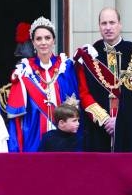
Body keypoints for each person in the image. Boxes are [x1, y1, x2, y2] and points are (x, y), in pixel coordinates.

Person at [75, 7, 132, 152]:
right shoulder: (89, 55)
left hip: (130, 129)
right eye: (104, 23)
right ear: (99, 26)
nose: (108, 27)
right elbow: (84, 93)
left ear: (120, 25)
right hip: (99, 129)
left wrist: (120, 121)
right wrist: (104, 120)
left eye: (112, 22)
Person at [5, 17, 81, 152]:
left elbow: (74, 103)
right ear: (33, 42)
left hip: (63, 137)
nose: (43, 42)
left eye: (47, 38)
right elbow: (17, 114)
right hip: (33, 133)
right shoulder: (24, 69)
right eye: (38, 39)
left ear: (54, 40)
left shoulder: (66, 66)